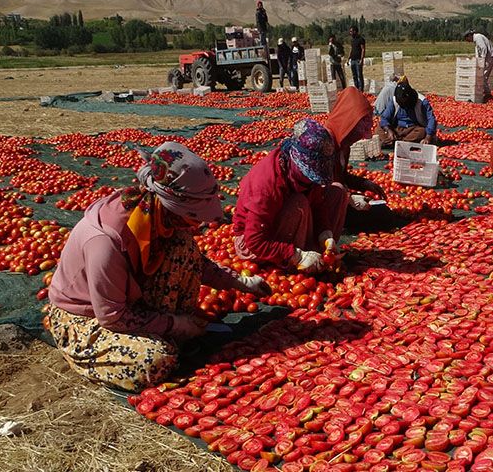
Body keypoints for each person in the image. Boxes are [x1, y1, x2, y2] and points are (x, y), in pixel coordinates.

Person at [46, 142, 270, 392]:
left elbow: (194, 262)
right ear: (172, 205)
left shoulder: (157, 216)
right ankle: (84, 354)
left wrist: (239, 281)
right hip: (89, 317)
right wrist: (178, 325)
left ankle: (169, 334)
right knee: (156, 360)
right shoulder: (106, 241)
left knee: (182, 245)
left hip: (128, 303)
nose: (198, 225)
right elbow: (111, 316)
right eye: (193, 216)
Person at [233, 127, 347, 273]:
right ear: (295, 161)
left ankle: (320, 255)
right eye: (309, 173)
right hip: (253, 243)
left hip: (288, 226)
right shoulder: (266, 183)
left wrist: (325, 234)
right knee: (299, 203)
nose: (312, 179)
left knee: (337, 191)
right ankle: (295, 260)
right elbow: (255, 241)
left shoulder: (305, 177)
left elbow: (318, 204)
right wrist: (296, 255)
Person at [326, 88, 389, 223]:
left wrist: (364, 184)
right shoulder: (325, 143)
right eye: (357, 132)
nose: (360, 138)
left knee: (381, 212)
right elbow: (319, 186)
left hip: (338, 198)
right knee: (381, 216)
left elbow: (341, 177)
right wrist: (348, 198)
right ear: (348, 123)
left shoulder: (344, 145)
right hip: (324, 206)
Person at [377, 81, 437, 146]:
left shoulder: (422, 101)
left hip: (413, 129)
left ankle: (395, 143)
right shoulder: (394, 101)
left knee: (422, 132)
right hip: (396, 128)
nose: (403, 105)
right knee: (379, 128)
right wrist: (389, 131)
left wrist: (428, 137)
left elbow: (431, 119)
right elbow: (384, 118)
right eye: (401, 103)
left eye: (405, 103)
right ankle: (401, 143)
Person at [464, 29, 493, 100]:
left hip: (489, 57)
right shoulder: (477, 39)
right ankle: (486, 93)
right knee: (482, 76)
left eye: (467, 38)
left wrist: (481, 60)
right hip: (488, 58)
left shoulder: (478, 38)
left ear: (470, 36)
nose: (467, 41)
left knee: (482, 76)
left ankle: (488, 95)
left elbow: (483, 48)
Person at [348, 25, 366, 91]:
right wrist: (348, 58)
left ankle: (361, 90)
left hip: (358, 60)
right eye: (350, 31)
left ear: (355, 31)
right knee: (354, 75)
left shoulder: (361, 39)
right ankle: (356, 88)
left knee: (359, 75)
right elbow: (351, 49)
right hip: (352, 59)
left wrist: (362, 59)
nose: (350, 33)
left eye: (351, 31)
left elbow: (363, 49)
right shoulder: (352, 40)